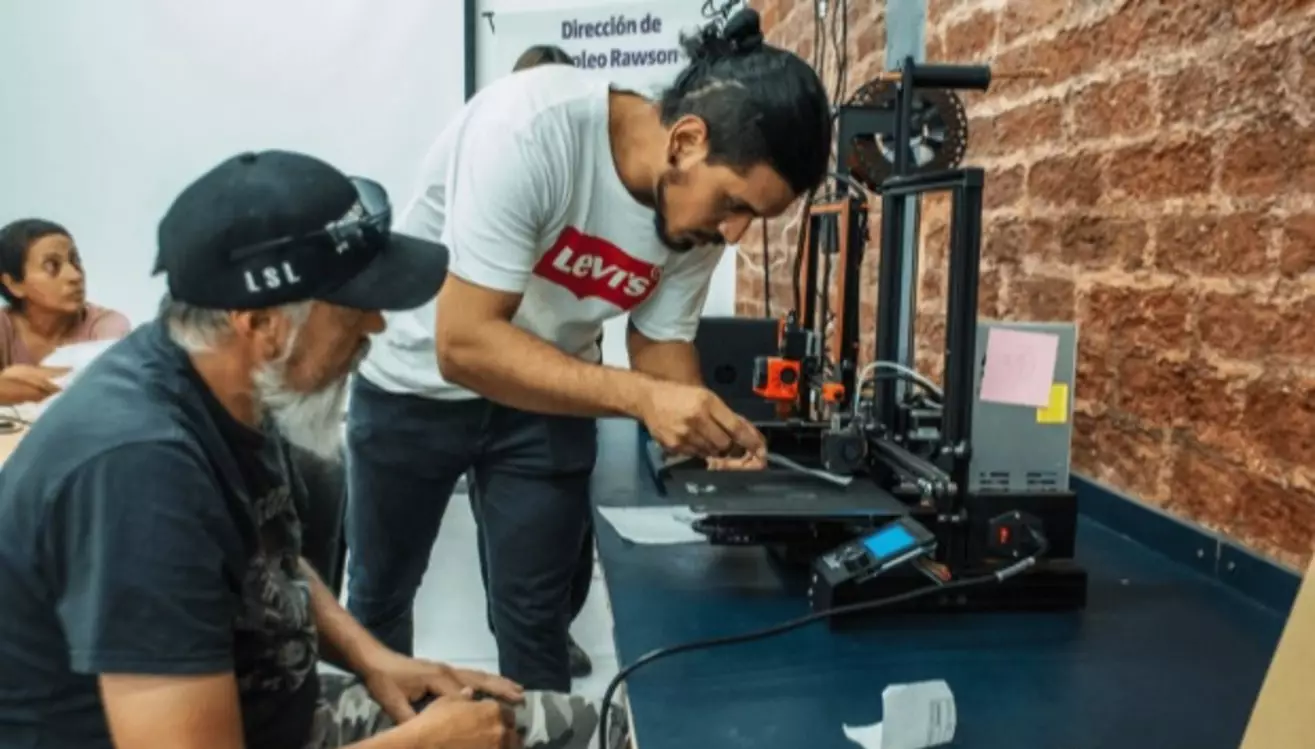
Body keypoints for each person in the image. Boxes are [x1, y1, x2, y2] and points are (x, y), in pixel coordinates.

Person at [0, 150, 626, 749]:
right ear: (262, 324)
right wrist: (421, 744)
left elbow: (269, 558)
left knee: (607, 727)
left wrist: (374, 658)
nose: (375, 325)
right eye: (355, 309)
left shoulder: (225, 382)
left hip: (271, 711)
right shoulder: (138, 476)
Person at [346, 7, 831, 692]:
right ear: (686, 141)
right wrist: (643, 398)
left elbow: (660, 341)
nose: (735, 234)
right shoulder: (529, 131)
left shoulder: (693, 218)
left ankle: (537, 735)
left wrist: (708, 437)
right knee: (380, 598)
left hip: (543, 398)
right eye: (735, 205)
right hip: (416, 380)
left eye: (756, 216)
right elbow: (465, 342)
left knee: (536, 618)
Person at [466, 41, 597, 680]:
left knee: (571, 539)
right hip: (501, 384)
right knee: (504, 534)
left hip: (569, 385)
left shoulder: (587, 182)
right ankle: (521, 631)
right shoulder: (499, 170)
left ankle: (552, 624)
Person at [0, 218, 131, 404]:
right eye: (52, 266)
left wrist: (13, 378)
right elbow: (82, 383)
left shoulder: (108, 324)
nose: (75, 276)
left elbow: (107, 387)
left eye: (75, 261)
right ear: (14, 284)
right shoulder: (4, 326)